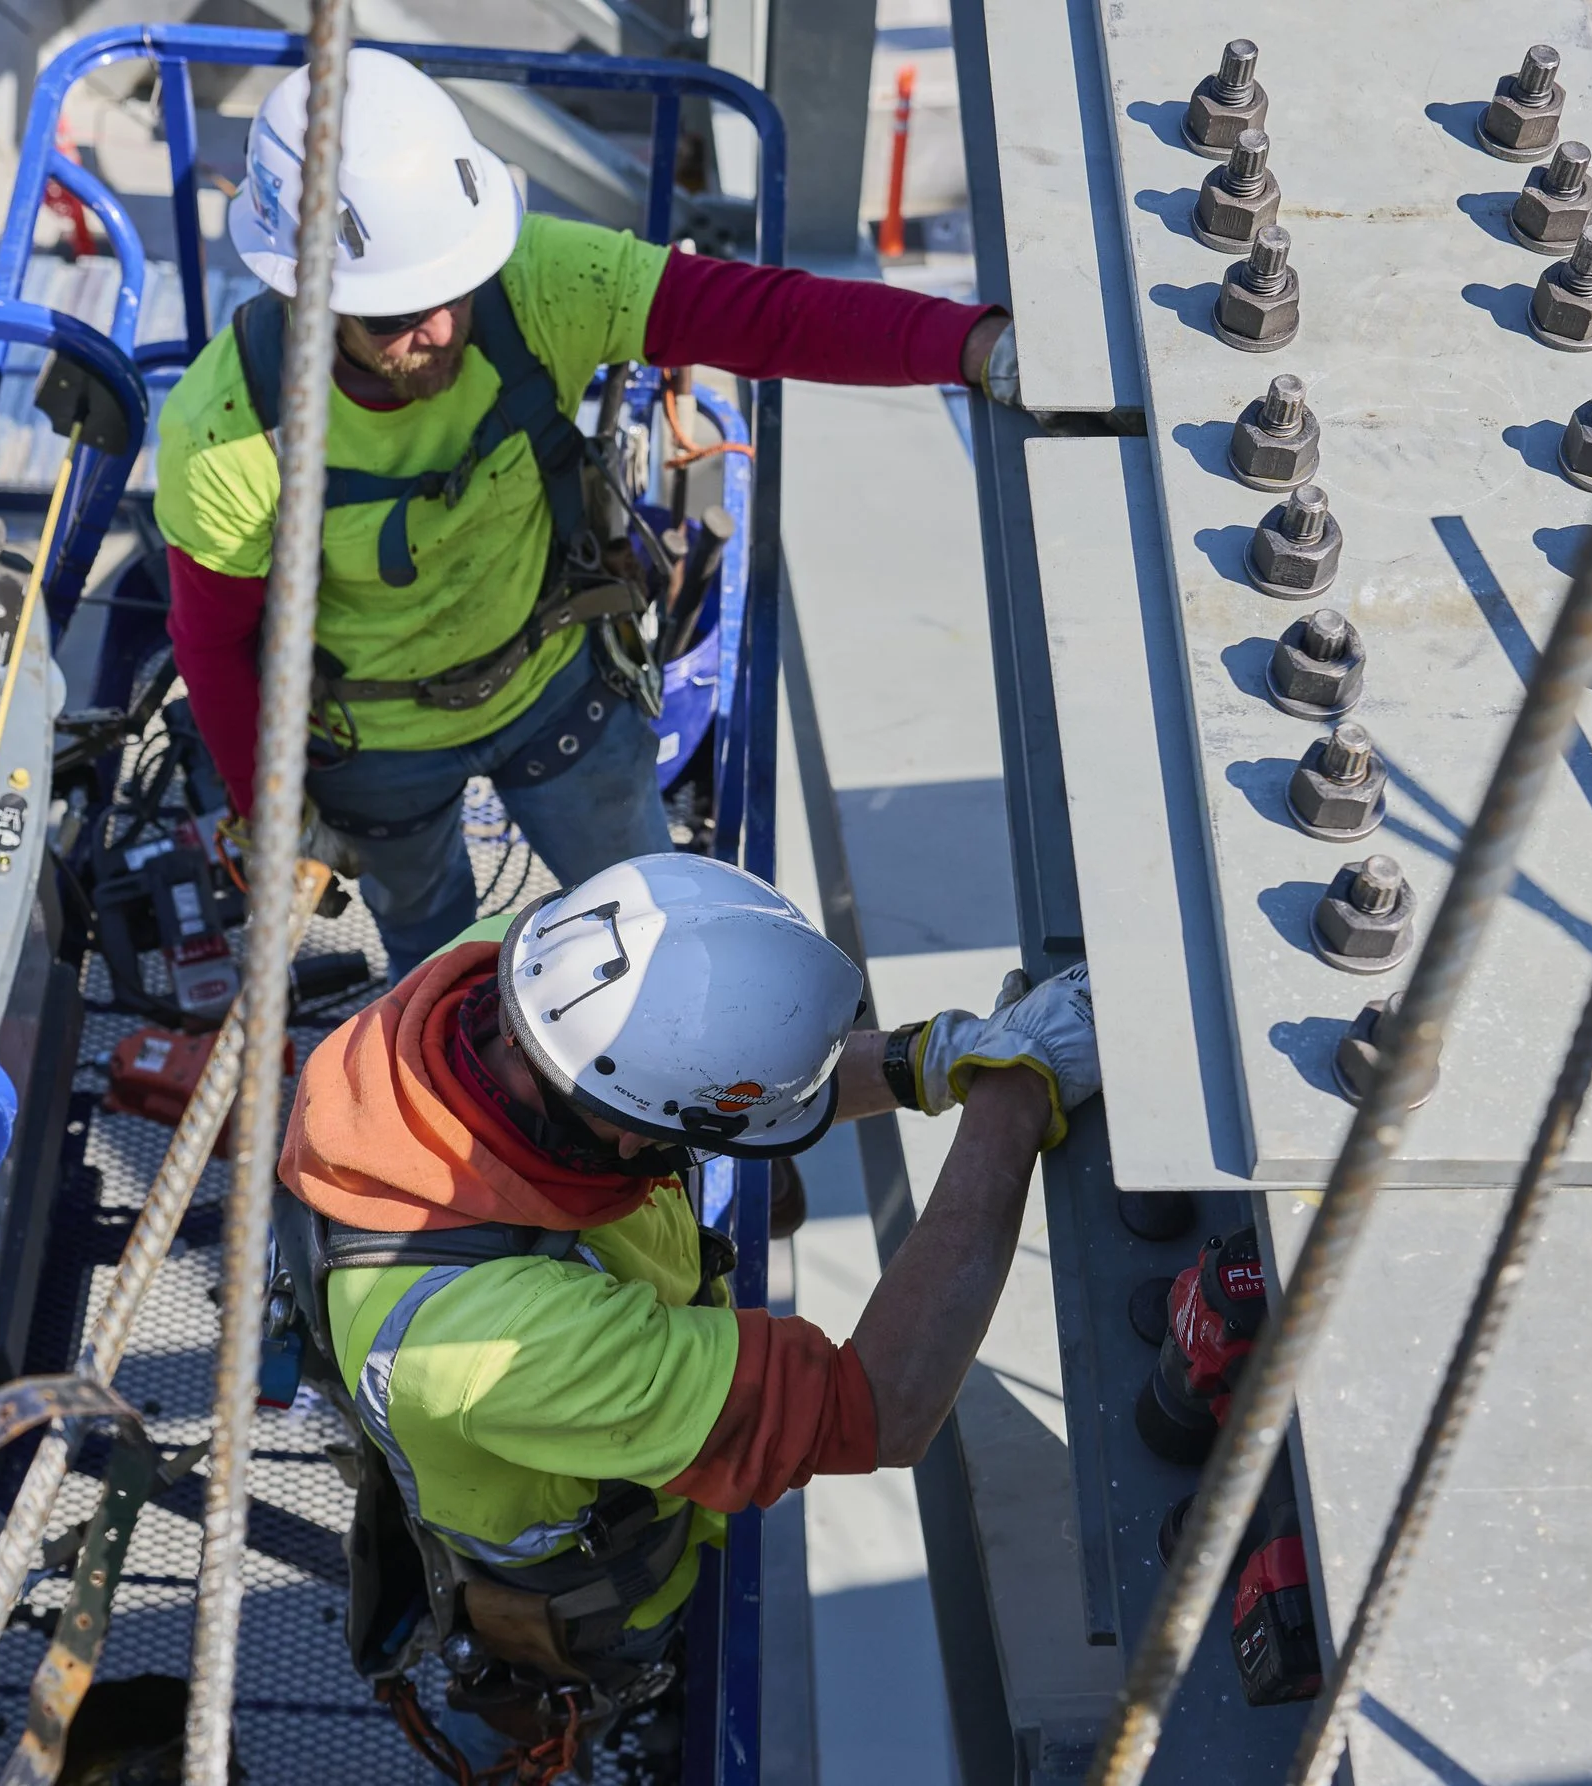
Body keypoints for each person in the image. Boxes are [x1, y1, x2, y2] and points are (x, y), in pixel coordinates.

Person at [156, 51, 1020, 978]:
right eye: (397, 313)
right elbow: (213, 642)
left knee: (656, 929)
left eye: (450, 290)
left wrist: (965, 344)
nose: (441, 329)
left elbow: (766, 318)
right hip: (377, 746)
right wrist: (271, 813)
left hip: (557, 685)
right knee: (433, 960)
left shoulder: (534, 285)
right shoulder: (227, 434)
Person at [273, 853, 1097, 1773]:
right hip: (602, 1597)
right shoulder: (495, 1341)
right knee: (607, 1674)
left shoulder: (524, 976)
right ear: (635, 1135)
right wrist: (1015, 1098)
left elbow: (700, 1089)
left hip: (539, 1424)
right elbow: (883, 1406)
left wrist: (937, 1058)